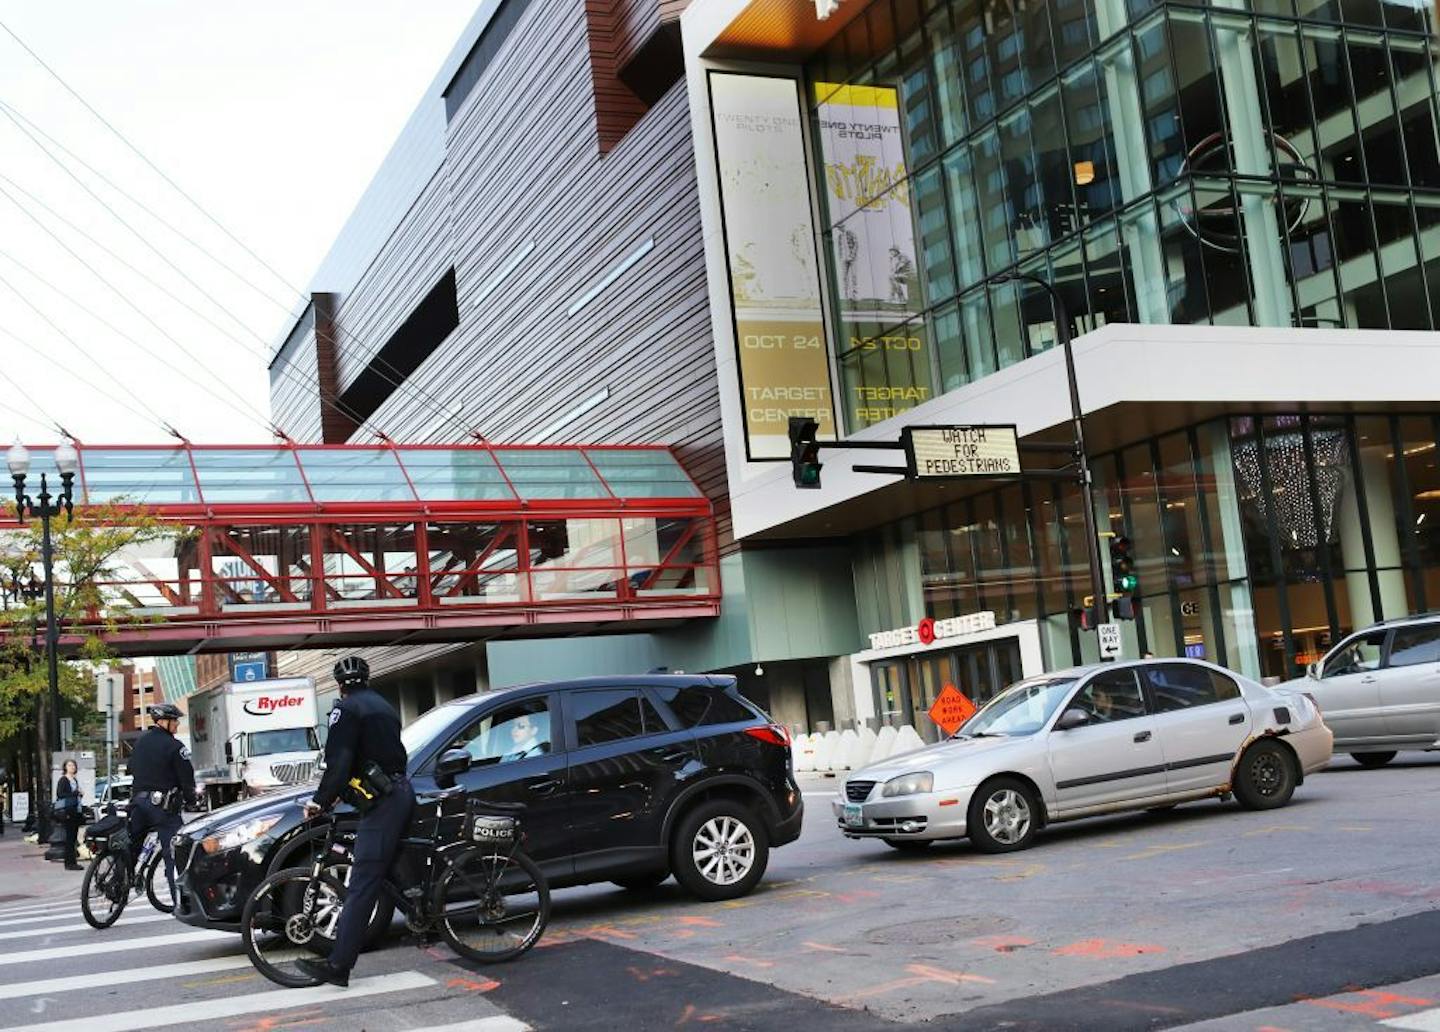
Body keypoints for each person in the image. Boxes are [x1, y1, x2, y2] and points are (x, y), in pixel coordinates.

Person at [295, 656, 413, 989]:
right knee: (387, 866)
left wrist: (320, 800)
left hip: (383, 801)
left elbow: (340, 761)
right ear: (367, 678)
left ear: (340, 684)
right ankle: (421, 909)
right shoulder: (385, 706)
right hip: (400, 792)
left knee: (361, 883)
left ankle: (338, 965)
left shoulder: (345, 710)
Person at [127, 703, 196, 900]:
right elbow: (186, 778)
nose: (177, 724)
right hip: (162, 808)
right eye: (174, 720)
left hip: (138, 804)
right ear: (163, 721)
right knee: (174, 851)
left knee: (132, 846)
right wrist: (190, 799)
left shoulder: (139, 742)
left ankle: (119, 882)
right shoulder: (175, 746)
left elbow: (131, 768)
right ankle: (180, 900)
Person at [55, 759, 83, 869]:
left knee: (73, 838)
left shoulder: (74, 780)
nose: (72, 767)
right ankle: (69, 863)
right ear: (65, 767)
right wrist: (74, 793)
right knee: (69, 838)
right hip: (68, 811)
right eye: (69, 765)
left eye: (73, 765)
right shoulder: (63, 780)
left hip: (75, 810)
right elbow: (60, 794)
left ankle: (73, 861)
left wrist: (79, 795)